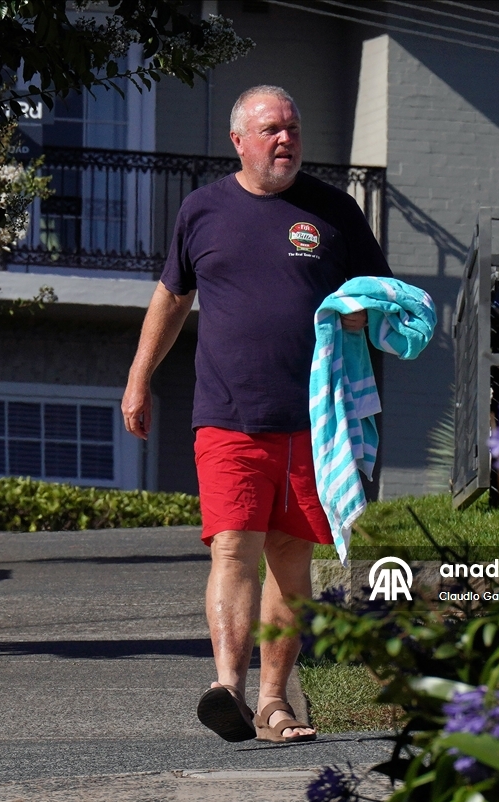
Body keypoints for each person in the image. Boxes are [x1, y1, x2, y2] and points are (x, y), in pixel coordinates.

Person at [121, 85, 390, 742]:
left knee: (291, 559)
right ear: (239, 140)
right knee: (233, 550)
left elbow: (379, 297)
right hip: (228, 416)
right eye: (271, 129)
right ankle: (227, 689)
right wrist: (138, 378)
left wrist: (363, 314)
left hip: (312, 423)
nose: (285, 139)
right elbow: (172, 297)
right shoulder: (203, 210)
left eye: (292, 128)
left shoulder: (334, 212)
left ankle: (273, 704)